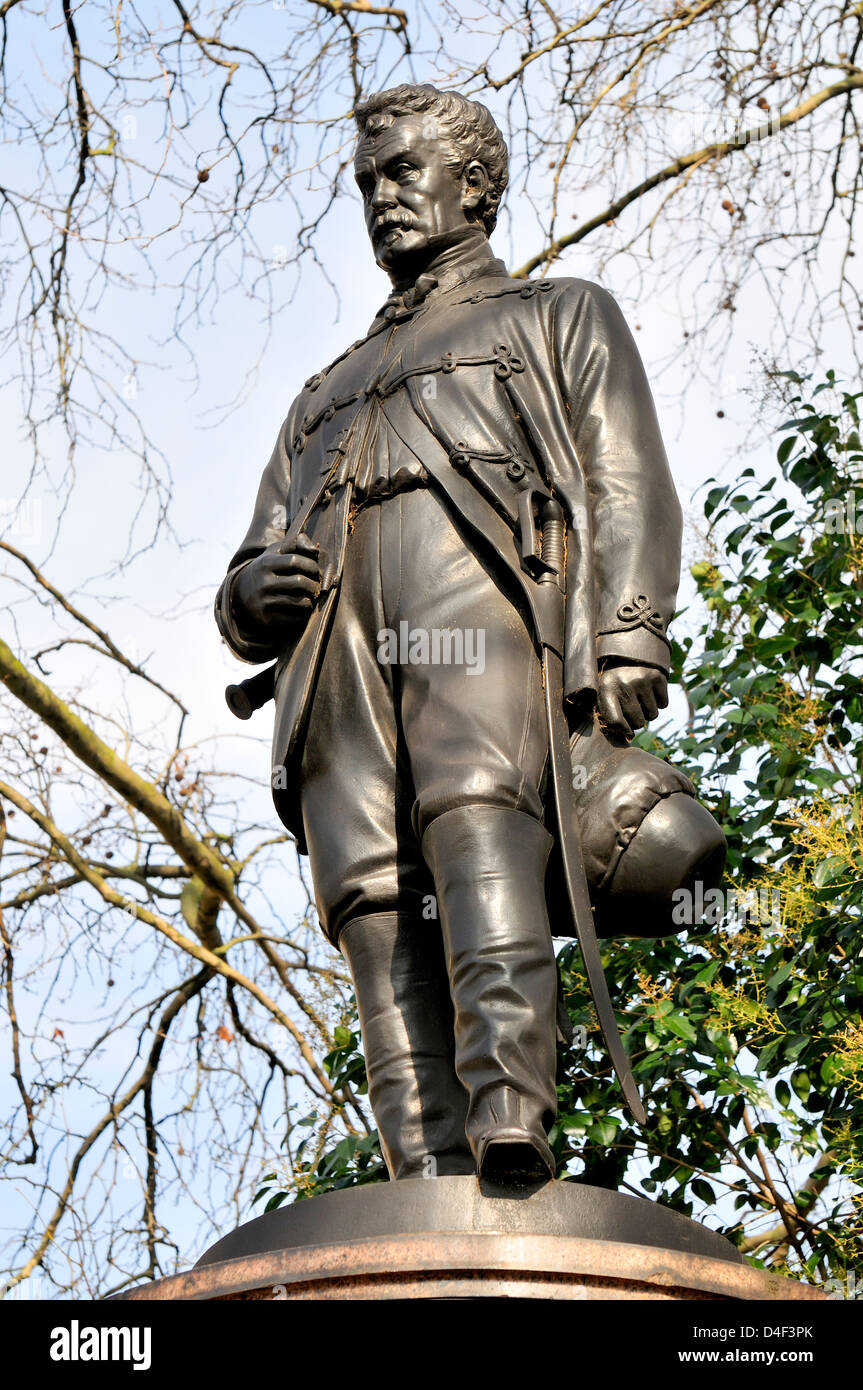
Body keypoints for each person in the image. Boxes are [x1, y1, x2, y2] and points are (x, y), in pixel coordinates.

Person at [215, 84, 723, 1183]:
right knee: (368, 888)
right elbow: (247, 559)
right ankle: (420, 1163)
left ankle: (507, 1111)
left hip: (481, 607)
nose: (381, 198)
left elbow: (625, 477)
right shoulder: (323, 391)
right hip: (334, 648)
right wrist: (255, 591)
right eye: (366, 183)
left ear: (473, 184)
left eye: (402, 172)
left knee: (476, 817)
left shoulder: (553, 313)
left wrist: (629, 635)